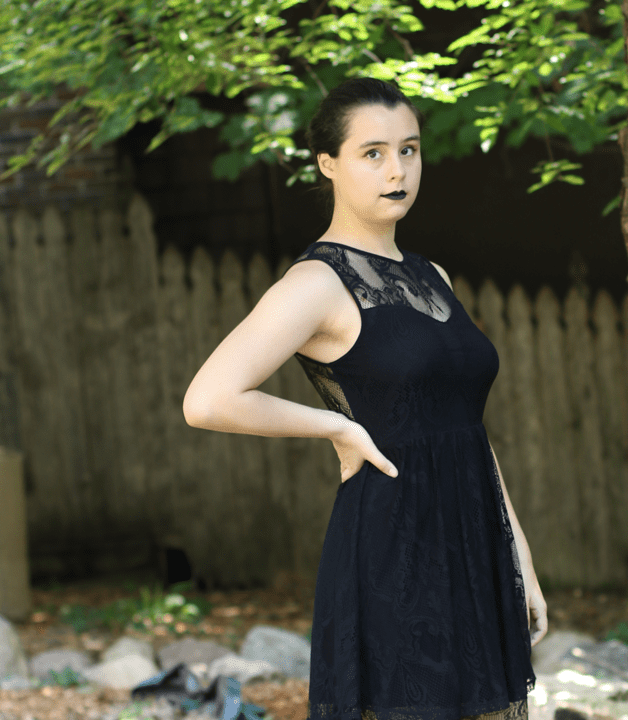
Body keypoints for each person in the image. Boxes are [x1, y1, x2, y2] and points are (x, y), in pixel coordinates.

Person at [182, 76, 547, 720]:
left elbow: (465, 427)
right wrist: (336, 427)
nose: (396, 169)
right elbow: (208, 399)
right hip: (395, 543)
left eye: (408, 150)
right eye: (372, 153)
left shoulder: (432, 276)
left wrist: (516, 549)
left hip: (472, 539)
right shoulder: (316, 283)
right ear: (329, 164)